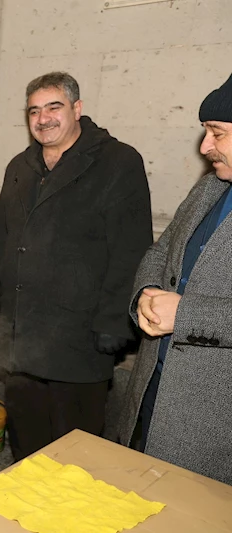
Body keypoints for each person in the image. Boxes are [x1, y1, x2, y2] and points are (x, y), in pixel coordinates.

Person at [0, 72, 153, 461]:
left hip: (79, 336)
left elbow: (131, 250)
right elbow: (1, 242)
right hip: (21, 332)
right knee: (26, 440)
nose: (43, 118)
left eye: (53, 107)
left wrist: (114, 321)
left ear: (77, 108)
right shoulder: (20, 166)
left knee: (73, 447)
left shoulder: (117, 161)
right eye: (34, 110)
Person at [117, 73, 232, 484]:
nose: (205, 147)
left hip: (214, 421)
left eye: (217, 133)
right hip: (153, 389)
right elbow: (161, 251)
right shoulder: (209, 188)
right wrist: (145, 293)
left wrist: (186, 314)